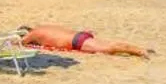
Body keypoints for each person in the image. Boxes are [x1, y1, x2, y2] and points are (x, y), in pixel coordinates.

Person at [17, 24, 152, 58]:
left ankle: (139, 50)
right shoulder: (42, 27)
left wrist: (17, 39)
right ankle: (138, 49)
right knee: (107, 45)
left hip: (75, 42)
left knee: (108, 48)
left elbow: (20, 42)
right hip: (79, 35)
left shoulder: (33, 34)